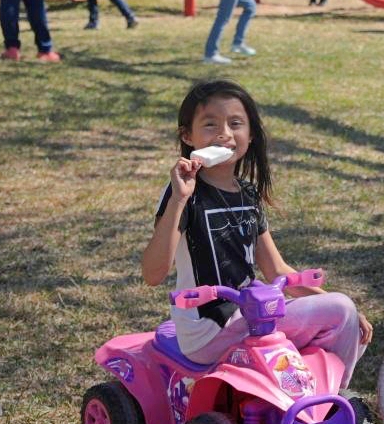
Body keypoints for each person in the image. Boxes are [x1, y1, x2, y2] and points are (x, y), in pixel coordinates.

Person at [142, 80, 371, 380]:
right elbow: (153, 274)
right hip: (208, 332)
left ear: (249, 136)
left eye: (236, 123)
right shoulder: (185, 194)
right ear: (188, 135)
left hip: (254, 315)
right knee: (339, 311)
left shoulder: (248, 194)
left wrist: (344, 309)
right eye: (210, 124)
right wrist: (178, 200)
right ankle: (329, 404)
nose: (224, 133)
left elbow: (276, 270)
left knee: (347, 323)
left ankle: (299, 397)